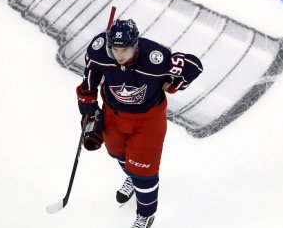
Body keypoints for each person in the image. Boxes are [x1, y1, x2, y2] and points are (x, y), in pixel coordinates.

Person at [76, 19, 203, 228]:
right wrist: (88, 110)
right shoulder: (99, 51)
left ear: (136, 44)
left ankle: (146, 214)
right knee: (117, 152)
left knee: (144, 172)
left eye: (124, 49)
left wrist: (173, 85)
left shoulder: (156, 58)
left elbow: (194, 66)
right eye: (114, 49)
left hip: (148, 121)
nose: (118, 56)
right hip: (113, 114)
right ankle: (131, 178)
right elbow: (89, 83)